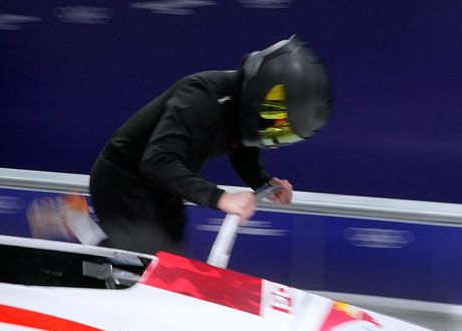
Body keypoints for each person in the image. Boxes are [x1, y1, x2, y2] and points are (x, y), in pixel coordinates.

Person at [90, 35, 329, 255]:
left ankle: (96, 241)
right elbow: (157, 160)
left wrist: (264, 183)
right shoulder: (200, 96)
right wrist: (221, 198)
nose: (274, 131)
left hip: (164, 186)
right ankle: (86, 233)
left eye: (283, 131)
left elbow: (241, 152)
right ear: (261, 93)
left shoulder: (241, 110)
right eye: (275, 121)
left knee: (171, 260)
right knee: (144, 260)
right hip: (122, 180)